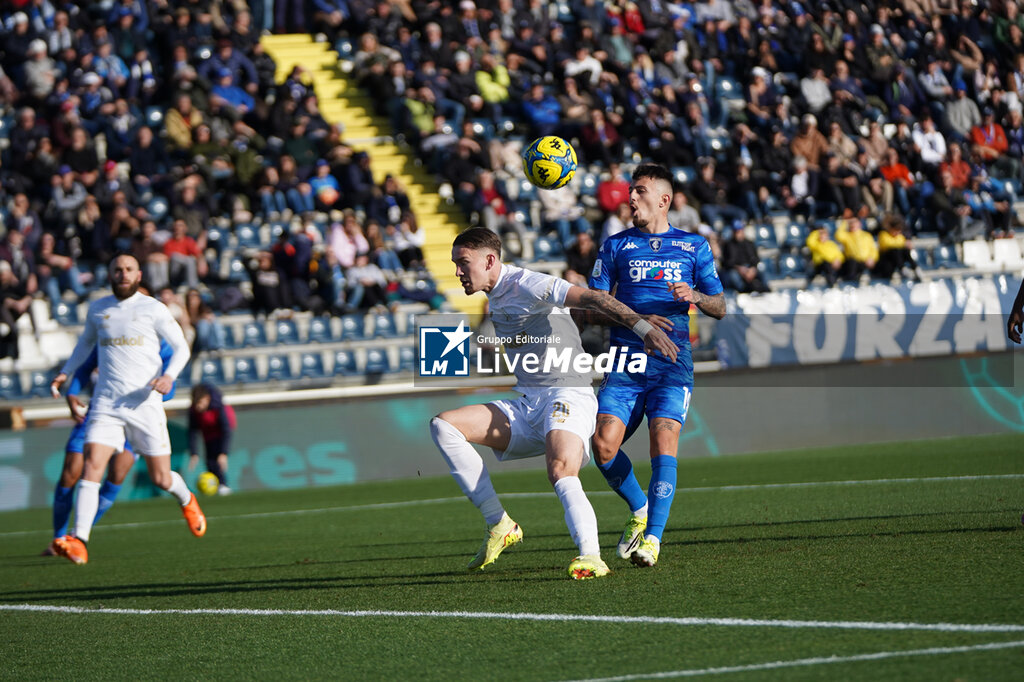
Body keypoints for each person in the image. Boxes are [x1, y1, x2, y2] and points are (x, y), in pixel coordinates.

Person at [430, 227, 676, 580]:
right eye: (455, 264)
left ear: (489, 260)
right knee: (444, 425)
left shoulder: (527, 283)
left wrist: (641, 328)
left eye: (462, 263)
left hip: (567, 394)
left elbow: (590, 298)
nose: (457, 271)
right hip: (529, 403)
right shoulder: (495, 297)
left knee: (560, 470)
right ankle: (499, 523)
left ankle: (591, 556)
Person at [588, 163, 726, 568]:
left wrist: (696, 296)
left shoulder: (694, 246)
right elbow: (593, 307)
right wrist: (638, 321)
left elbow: (720, 307)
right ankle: (640, 508)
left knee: (662, 444)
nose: (631, 198)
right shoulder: (615, 246)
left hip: (671, 365)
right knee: (602, 446)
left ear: (664, 200)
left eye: (640, 191)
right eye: (630, 191)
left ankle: (653, 539)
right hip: (625, 363)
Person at [48, 253, 203, 565]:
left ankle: (187, 499)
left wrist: (169, 376)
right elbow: (84, 347)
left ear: (139, 274)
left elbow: (183, 346)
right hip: (106, 403)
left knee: (161, 477)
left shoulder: (153, 309)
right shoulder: (98, 309)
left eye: (128, 269)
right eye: (117, 269)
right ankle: (79, 540)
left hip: (144, 404)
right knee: (92, 466)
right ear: (110, 274)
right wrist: (66, 372)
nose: (122, 274)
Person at [45, 338, 178, 555]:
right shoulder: (112, 331)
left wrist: (160, 389)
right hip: (102, 414)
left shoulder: (161, 342)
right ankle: (59, 538)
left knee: (117, 475)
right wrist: (72, 393)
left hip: (137, 418)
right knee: (71, 473)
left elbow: (171, 386)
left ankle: (76, 536)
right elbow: (85, 366)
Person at [187, 383, 236, 496]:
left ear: (207, 399)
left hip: (220, 431)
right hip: (208, 432)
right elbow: (192, 432)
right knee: (209, 460)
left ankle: (223, 484)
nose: (198, 407)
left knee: (217, 458)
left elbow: (226, 431)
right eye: (196, 404)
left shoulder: (219, 407)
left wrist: (223, 453)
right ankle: (215, 484)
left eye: (200, 403)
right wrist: (194, 453)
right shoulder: (194, 411)